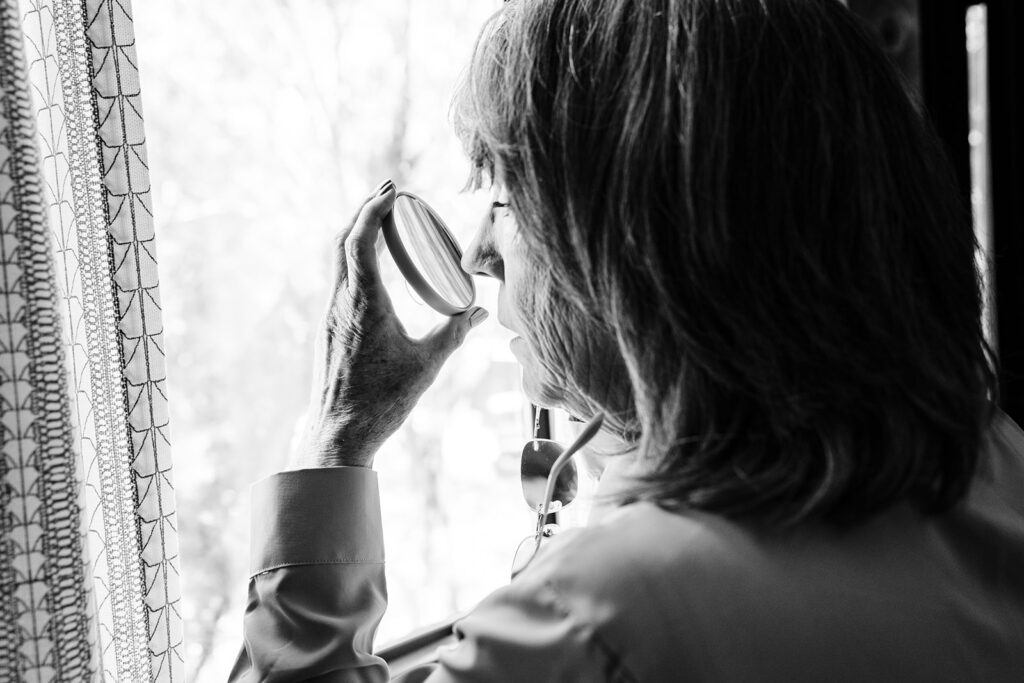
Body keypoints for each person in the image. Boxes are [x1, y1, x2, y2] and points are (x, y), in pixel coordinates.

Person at [229, 0, 1024, 680]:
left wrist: (334, 445)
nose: (477, 254)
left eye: (505, 199)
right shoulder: (996, 461)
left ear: (634, 249)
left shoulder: (588, 624)